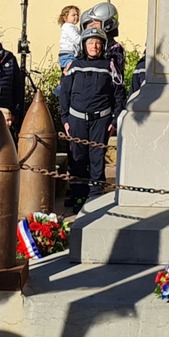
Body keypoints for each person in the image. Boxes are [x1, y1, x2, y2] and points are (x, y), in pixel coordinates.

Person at [60, 23, 129, 209]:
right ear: (84, 45)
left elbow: (118, 95)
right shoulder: (75, 66)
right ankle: (78, 196)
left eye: (98, 43)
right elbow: (64, 93)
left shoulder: (109, 66)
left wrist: (115, 120)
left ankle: (95, 196)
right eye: (91, 43)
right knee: (78, 159)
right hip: (77, 120)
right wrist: (65, 119)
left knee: (97, 158)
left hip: (101, 121)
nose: (94, 46)